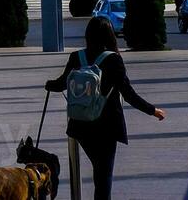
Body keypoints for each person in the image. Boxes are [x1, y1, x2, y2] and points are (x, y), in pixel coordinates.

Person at [43, 17, 165, 200]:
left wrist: (48, 84)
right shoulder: (113, 60)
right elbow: (128, 93)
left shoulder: (77, 57)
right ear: (110, 36)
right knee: (103, 177)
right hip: (106, 127)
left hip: (80, 125)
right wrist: (152, 110)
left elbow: (61, 84)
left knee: (98, 168)